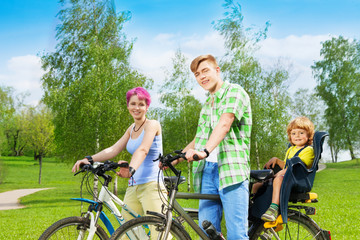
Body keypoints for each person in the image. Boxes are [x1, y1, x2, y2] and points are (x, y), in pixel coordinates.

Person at [178, 54, 252, 239]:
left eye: (205, 71)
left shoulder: (234, 91)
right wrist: (178, 156)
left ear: (217, 71)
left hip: (231, 169)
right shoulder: (207, 104)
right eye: (197, 74)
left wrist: (204, 151)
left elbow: (225, 124)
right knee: (207, 232)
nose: (201, 76)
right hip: (209, 171)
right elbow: (200, 138)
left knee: (236, 233)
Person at [72, 87, 167, 221]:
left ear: (147, 107)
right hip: (133, 187)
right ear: (128, 106)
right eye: (133, 104)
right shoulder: (131, 129)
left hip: (152, 185)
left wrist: (130, 170)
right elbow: (113, 149)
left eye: (141, 104)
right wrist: (89, 159)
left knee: (159, 231)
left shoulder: (152, 125)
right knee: (128, 231)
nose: (137, 108)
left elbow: (143, 150)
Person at [257, 116, 315, 222]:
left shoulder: (309, 150)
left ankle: (274, 207)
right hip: (288, 176)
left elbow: (296, 167)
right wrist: (277, 160)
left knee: (278, 179)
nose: (297, 136)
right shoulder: (291, 149)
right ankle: (255, 207)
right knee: (258, 183)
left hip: (299, 179)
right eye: (293, 133)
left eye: (301, 133)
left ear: (308, 135)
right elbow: (286, 165)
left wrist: (276, 175)